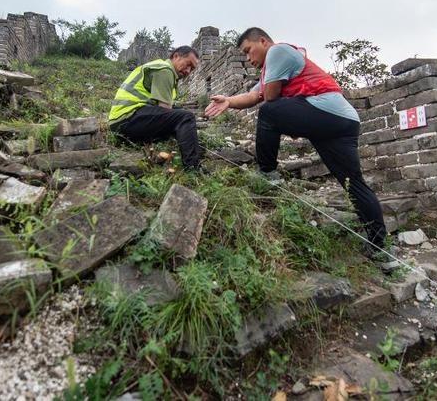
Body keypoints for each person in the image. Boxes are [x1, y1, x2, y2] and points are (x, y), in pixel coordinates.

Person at [204, 27, 387, 256]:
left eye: (249, 51)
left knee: (269, 112)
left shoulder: (278, 52)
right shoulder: (270, 70)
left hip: (328, 113)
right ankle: (379, 246)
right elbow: (253, 96)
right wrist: (228, 101)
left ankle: (268, 172)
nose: (249, 59)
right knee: (353, 184)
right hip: (343, 122)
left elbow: (269, 98)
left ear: (263, 41)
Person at [109, 46, 203, 170]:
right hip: (127, 118)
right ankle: (192, 167)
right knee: (186, 117)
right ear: (176, 56)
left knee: (179, 112)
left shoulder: (162, 69)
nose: (188, 71)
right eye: (188, 64)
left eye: (192, 69)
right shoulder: (165, 70)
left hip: (124, 121)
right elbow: (165, 110)